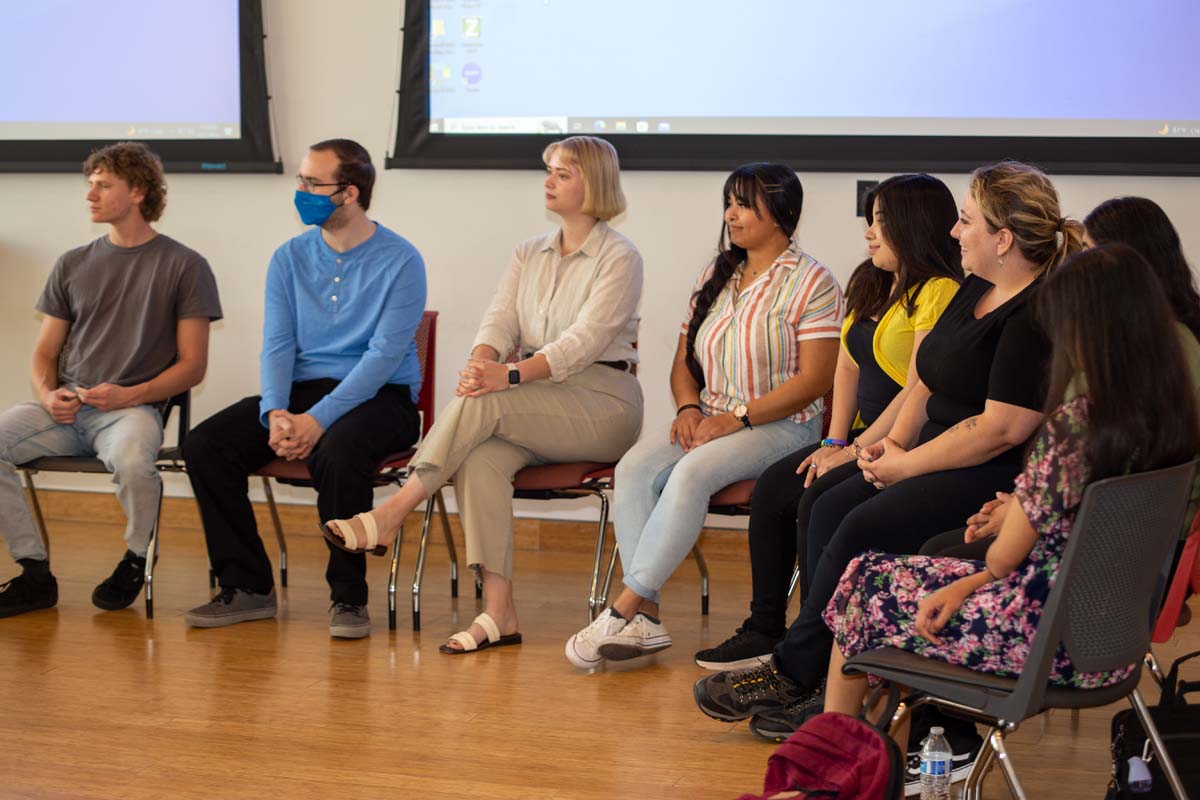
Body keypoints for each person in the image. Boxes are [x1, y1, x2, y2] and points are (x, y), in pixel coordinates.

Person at [693, 160, 1084, 738]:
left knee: (857, 527)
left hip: (984, 471)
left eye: (966, 221)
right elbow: (924, 378)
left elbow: (999, 429)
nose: (955, 232)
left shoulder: (1033, 313)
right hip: (930, 449)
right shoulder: (976, 284)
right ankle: (823, 677)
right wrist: (890, 444)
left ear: (1002, 239)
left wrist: (905, 464)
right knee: (825, 503)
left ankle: (796, 671)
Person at [816, 243, 1200, 757]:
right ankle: (881, 763)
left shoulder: (1077, 426)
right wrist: (978, 569)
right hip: (1107, 639)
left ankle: (835, 770)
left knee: (866, 582)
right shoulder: (1170, 417)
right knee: (890, 585)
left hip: (1037, 638)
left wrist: (1003, 531)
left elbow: (1003, 556)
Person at [321, 136, 643, 654]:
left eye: (562, 173)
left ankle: (393, 512)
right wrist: (481, 362)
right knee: (479, 456)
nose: (549, 180)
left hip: (604, 402)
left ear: (594, 183)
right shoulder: (528, 252)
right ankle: (500, 613)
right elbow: (500, 318)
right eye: (549, 171)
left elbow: (584, 342)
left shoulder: (620, 256)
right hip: (534, 401)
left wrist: (506, 377)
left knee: (487, 401)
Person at [564, 162, 843, 669]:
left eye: (743, 204)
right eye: (729, 203)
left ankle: (622, 607)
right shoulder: (718, 273)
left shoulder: (813, 280)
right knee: (632, 469)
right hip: (710, 419)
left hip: (782, 428)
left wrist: (736, 418)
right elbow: (683, 361)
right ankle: (647, 619)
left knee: (690, 473)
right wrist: (690, 407)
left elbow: (817, 380)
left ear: (781, 213)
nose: (730, 215)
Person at [695, 173, 963, 671]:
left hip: (903, 439)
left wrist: (856, 451)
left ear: (913, 224)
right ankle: (765, 627)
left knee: (820, 496)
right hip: (860, 433)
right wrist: (837, 438)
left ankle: (813, 641)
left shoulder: (939, 290)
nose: (868, 231)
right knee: (777, 487)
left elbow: (916, 389)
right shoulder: (872, 279)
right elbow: (846, 365)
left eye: (880, 221)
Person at [182, 139, 426, 639]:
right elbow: (277, 344)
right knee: (206, 445)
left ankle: (348, 597)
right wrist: (275, 412)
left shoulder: (401, 260)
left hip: (382, 397)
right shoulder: (288, 257)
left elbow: (381, 358)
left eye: (314, 184)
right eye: (300, 180)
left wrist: (318, 420)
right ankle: (247, 587)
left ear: (350, 193)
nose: (302, 192)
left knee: (338, 450)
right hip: (301, 393)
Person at [0, 142, 221, 618]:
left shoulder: (185, 265)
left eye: (103, 185)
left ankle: (138, 556)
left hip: (131, 410)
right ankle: (34, 572)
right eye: (90, 184)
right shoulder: (72, 263)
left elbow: (193, 366)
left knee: (133, 460)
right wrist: (47, 393)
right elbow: (44, 352)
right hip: (63, 410)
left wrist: (131, 394)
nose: (90, 195)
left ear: (138, 191)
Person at [922, 195, 1200, 559]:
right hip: (1142, 540)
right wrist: (1024, 503)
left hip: (1097, 543)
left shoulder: (1114, 360)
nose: (1079, 262)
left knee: (932, 552)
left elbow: (1087, 471)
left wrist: (1022, 510)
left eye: (1088, 251)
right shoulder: (1179, 337)